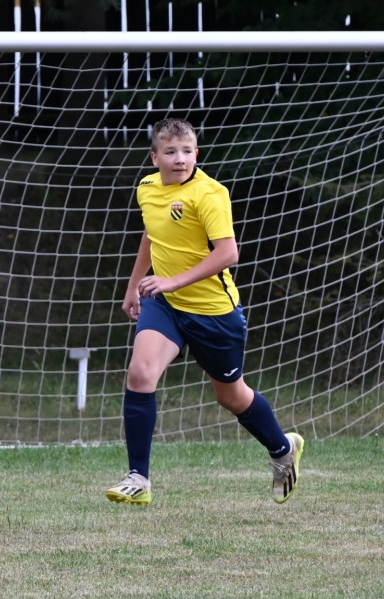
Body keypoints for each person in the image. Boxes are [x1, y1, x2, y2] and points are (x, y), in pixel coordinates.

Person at [106, 118, 304, 506]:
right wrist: (135, 284)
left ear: (196, 153)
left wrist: (172, 280)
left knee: (231, 396)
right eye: (170, 151)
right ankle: (138, 478)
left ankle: (283, 450)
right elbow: (152, 234)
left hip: (213, 312)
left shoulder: (210, 194)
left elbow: (228, 253)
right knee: (141, 373)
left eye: (187, 151)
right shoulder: (147, 188)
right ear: (155, 157)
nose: (179, 159)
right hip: (165, 304)